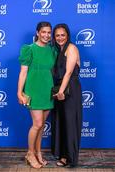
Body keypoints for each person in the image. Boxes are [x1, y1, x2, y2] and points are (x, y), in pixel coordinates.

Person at [17, 21, 57, 169]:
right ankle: (30, 153)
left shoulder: (52, 50)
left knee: (41, 126)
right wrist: (20, 92)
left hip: (48, 90)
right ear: (37, 33)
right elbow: (23, 72)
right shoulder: (29, 49)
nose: (46, 35)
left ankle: (38, 153)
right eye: (43, 32)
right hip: (33, 90)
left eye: (48, 32)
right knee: (37, 124)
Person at [51, 23, 82, 167]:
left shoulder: (72, 48)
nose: (60, 38)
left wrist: (62, 91)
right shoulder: (58, 50)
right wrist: (58, 91)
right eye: (57, 35)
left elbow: (68, 72)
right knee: (62, 123)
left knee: (70, 123)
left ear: (68, 35)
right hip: (60, 90)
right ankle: (63, 156)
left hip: (70, 90)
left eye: (63, 35)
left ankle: (71, 158)